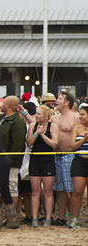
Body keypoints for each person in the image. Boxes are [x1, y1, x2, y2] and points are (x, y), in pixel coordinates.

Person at [0, 96, 27, 227]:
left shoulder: (18, 122)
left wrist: (7, 161)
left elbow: (18, 145)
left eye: (4, 102)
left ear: (8, 105)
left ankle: (12, 218)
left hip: (10, 163)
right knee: (0, 190)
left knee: (12, 189)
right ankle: (3, 216)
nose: (1, 103)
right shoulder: (1, 119)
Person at [26, 105, 57, 227]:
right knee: (35, 191)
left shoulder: (52, 126)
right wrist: (36, 134)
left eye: (39, 114)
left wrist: (43, 135)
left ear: (46, 116)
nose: (37, 116)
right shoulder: (33, 126)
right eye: (36, 113)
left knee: (48, 191)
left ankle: (48, 217)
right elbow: (29, 143)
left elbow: (54, 144)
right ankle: (35, 218)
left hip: (48, 160)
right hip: (35, 160)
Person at [52, 92, 79, 225]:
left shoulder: (75, 117)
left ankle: (75, 217)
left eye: (60, 98)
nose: (57, 101)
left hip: (69, 155)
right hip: (56, 155)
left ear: (67, 102)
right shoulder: (55, 118)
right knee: (60, 189)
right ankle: (62, 217)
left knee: (70, 189)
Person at [68, 103, 88, 229]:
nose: (80, 117)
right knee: (77, 191)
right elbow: (72, 147)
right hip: (79, 161)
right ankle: (75, 218)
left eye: (83, 114)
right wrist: (83, 139)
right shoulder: (76, 128)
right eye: (79, 114)